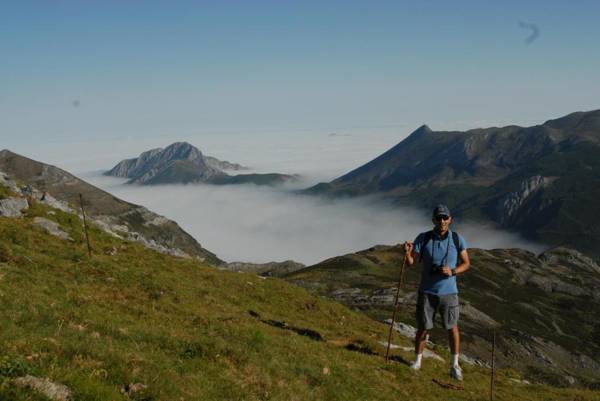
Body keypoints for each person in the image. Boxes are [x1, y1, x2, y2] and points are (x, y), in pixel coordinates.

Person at [403, 204, 470, 381]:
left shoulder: (457, 239)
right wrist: (408, 253)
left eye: (445, 218)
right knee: (423, 328)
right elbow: (411, 263)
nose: (442, 221)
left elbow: (466, 263)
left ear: (450, 219)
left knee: (452, 328)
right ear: (433, 219)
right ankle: (417, 361)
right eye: (439, 218)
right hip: (427, 292)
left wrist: (453, 271)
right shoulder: (423, 238)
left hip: (449, 293)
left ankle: (455, 365)